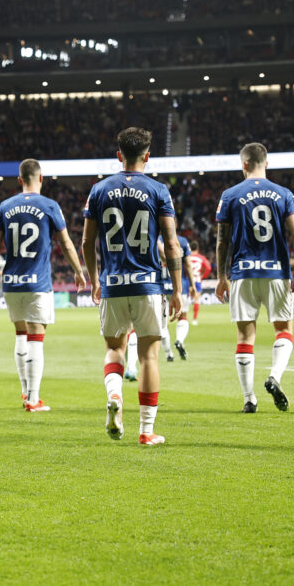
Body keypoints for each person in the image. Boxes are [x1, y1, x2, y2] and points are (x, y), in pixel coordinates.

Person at [81, 127, 182, 446]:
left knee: (114, 349)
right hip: (148, 284)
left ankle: (114, 396)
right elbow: (171, 243)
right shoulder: (158, 190)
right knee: (149, 357)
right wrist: (178, 289)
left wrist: (95, 278)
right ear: (147, 156)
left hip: (112, 284)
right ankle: (146, 431)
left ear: (118, 155)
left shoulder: (98, 190)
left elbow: (87, 240)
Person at [0, 158, 86, 412]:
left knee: (21, 334)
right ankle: (33, 399)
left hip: (11, 281)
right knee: (36, 338)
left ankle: (25, 392)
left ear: (20, 180)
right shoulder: (50, 206)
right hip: (38, 282)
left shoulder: (5, 206)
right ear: (40, 178)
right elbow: (65, 243)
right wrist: (78, 270)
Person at [215, 143, 294, 413]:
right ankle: (274, 377)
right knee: (283, 330)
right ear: (266, 163)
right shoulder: (284, 194)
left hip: (243, 273)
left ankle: (249, 398)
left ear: (244, 164)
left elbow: (222, 242)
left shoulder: (230, 195)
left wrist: (221, 276)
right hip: (276, 271)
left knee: (245, 336)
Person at [158, 233, 198, 361]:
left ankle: (168, 353)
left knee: (163, 322)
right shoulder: (182, 241)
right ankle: (179, 340)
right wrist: (192, 284)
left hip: (161, 285)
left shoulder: (153, 238)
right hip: (180, 285)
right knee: (183, 316)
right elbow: (188, 265)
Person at [187, 241, 212, 325]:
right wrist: (202, 276)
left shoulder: (187, 257)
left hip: (188, 280)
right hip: (197, 280)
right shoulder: (201, 258)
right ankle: (194, 319)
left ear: (189, 248)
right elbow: (208, 268)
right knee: (196, 300)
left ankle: (184, 318)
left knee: (185, 299)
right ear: (197, 248)